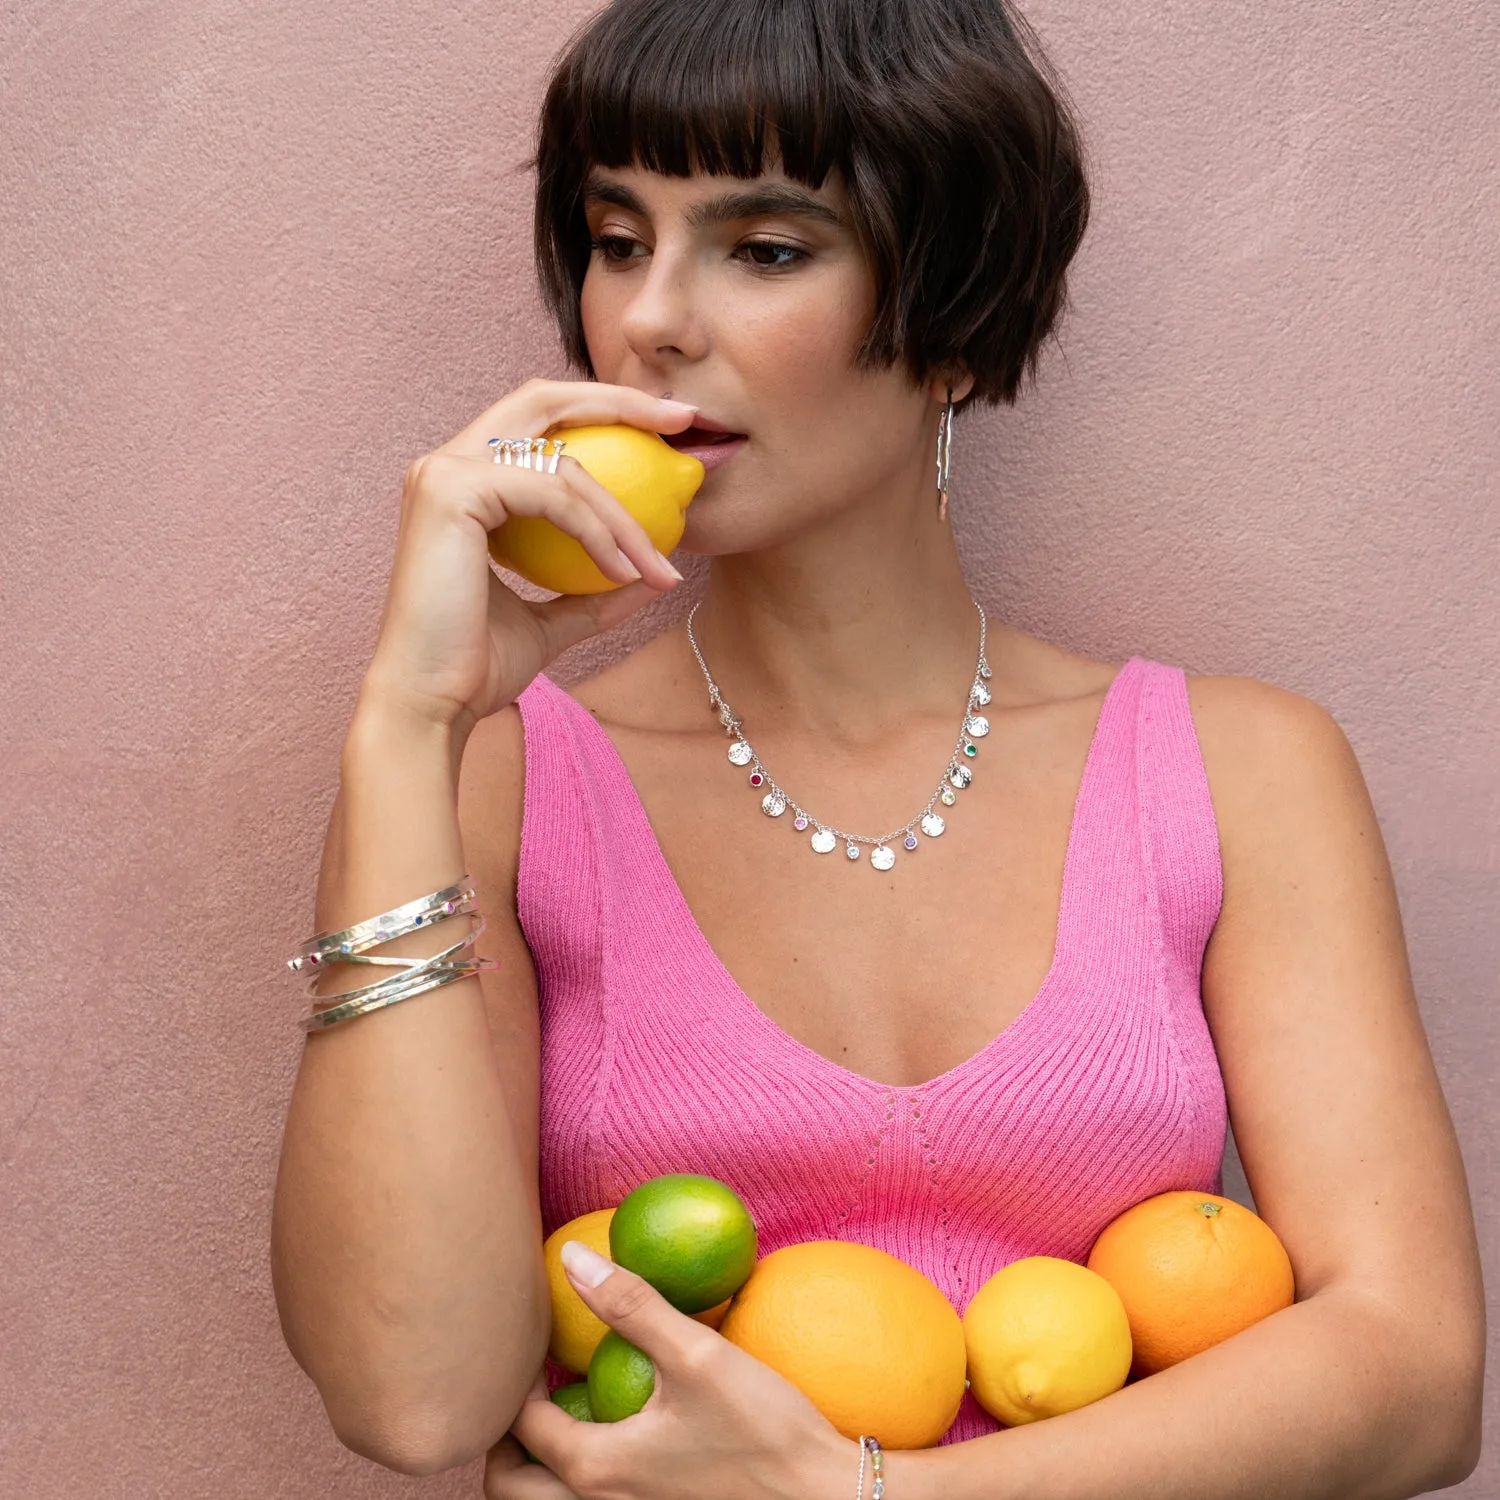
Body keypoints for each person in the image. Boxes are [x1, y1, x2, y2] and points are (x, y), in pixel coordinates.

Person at [269, 1, 1485, 1496]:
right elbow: (411, 1396)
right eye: (617, 236)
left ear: (956, 329)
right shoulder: (505, 778)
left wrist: (864, 1497)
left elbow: (1417, 1377)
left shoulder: (1241, 770)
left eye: (765, 249)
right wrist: (406, 721)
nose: (651, 318)